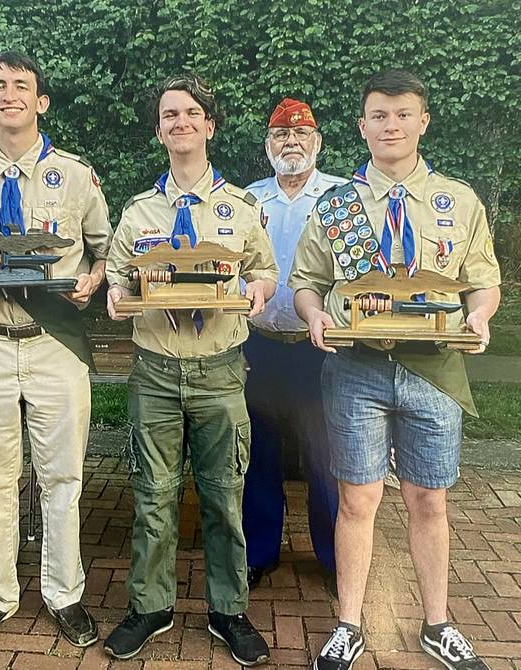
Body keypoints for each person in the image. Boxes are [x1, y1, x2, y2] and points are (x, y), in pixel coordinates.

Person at [291, 70, 501, 670]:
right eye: (379, 116)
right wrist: (313, 315)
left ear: (422, 121)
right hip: (356, 366)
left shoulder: (460, 201)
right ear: (362, 127)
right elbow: (306, 281)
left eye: (403, 114)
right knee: (357, 499)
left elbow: (483, 280)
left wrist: (480, 315)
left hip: (433, 369)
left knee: (428, 499)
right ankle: (348, 625)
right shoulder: (337, 206)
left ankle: (438, 624)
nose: (391, 125)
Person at [0, 51, 113, 649]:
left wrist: (93, 280)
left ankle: (64, 593)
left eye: (21, 85)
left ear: (41, 101)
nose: (9, 94)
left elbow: (104, 248)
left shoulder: (76, 174)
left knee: (63, 477)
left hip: (53, 343)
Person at [104, 73, 278, 667]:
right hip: (155, 371)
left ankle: (229, 610)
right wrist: (116, 293)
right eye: (169, 115)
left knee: (224, 496)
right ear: (160, 130)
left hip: (220, 371)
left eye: (190, 113)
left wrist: (258, 289)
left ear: (209, 125)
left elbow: (265, 271)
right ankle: (150, 608)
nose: (180, 122)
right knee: (152, 498)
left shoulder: (241, 208)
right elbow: (118, 276)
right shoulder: (138, 212)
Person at [241, 98, 343, 589]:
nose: (292, 143)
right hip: (259, 343)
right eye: (281, 135)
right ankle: (259, 553)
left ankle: (334, 557)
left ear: (317, 142)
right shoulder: (248, 200)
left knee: (325, 455)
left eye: (301, 134)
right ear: (268, 145)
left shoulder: (341, 198)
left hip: (318, 347)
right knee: (259, 453)